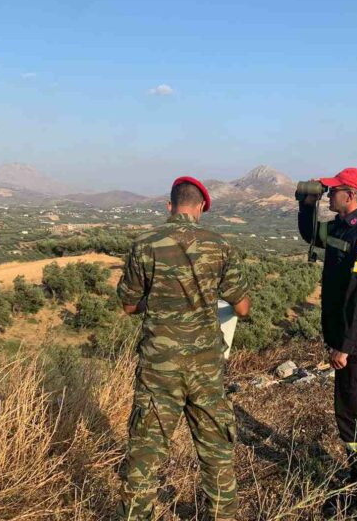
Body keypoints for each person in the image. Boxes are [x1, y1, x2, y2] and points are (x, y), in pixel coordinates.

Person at [116, 175, 251, 521]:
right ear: (202, 207)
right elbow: (243, 307)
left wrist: (158, 302)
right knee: (216, 452)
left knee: (145, 454)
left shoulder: (144, 244)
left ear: (169, 205)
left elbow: (129, 306)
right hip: (206, 366)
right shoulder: (220, 246)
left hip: (159, 367)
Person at [297, 167, 357, 516]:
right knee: (348, 408)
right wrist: (308, 203)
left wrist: (345, 346)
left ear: (350, 196)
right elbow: (311, 235)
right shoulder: (342, 228)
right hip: (348, 338)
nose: (329, 195)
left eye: (333, 191)